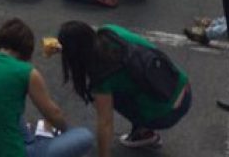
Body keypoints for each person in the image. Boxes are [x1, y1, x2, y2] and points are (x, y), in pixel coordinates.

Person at [0, 18, 94, 157]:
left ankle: (37, 139)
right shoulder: (26, 71)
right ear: (26, 51)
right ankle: (42, 140)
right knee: (84, 136)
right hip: (11, 153)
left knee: (5, 107)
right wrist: (65, 131)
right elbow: (53, 114)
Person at [57, 21, 191, 153]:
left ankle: (143, 132)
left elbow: (105, 123)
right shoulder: (110, 31)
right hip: (181, 86)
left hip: (166, 115)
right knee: (130, 81)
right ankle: (143, 128)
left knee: (104, 98)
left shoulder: (101, 76)